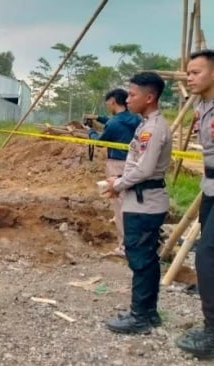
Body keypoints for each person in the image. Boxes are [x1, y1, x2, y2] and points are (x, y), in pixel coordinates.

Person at [103, 72, 171, 334]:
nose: (128, 99)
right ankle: (148, 312)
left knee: (140, 259)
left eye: (133, 94)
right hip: (141, 200)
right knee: (144, 258)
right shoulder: (145, 124)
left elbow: (144, 170)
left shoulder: (153, 128)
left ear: (150, 97)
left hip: (145, 203)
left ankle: (140, 316)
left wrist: (117, 184)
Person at [176, 49, 214, 358]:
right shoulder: (203, 105)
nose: (189, 77)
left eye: (196, 72)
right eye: (188, 72)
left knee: (207, 253)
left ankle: (213, 334)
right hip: (210, 185)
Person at [85, 89, 142, 256]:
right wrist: (98, 119)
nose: (107, 105)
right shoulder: (135, 118)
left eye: (108, 102)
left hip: (117, 164)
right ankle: (137, 240)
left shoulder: (114, 123)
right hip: (134, 163)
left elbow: (101, 142)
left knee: (120, 205)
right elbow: (114, 121)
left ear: (113, 102)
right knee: (132, 202)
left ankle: (124, 247)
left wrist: (90, 132)